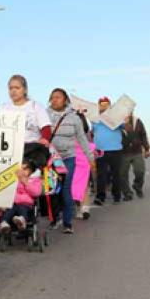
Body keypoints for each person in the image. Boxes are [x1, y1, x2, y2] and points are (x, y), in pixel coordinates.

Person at [47, 89, 95, 234]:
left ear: (65, 100)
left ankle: (68, 223)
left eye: (58, 97)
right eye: (52, 98)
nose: (55, 100)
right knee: (52, 190)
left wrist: (90, 158)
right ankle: (55, 219)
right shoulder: (45, 115)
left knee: (66, 190)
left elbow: (82, 139)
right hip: (51, 159)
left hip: (68, 157)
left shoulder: (74, 118)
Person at [1, 75, 52, 144]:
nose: (13, 91)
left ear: (25, 90)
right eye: (10, 88)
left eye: (17, 88)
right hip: (9, 146)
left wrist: (44, 140)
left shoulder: (36, 106)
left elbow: (46, 127)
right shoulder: (3, 108)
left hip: (31, 147)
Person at [92, 97, 125, 205]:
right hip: (100, 150)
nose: (104, 106)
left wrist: (113, 118)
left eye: (106, 104)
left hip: (116, 149)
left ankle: (117, 196)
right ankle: (100, 197)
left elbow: (123, 126)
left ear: (110, 105)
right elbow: (91, 131)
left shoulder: (116, 117)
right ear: (99, 106)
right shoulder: (94, 118)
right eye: (101, 104)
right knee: (101, 175)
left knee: (116, 174)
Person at [0, 161, 42, 235]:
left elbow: (36, 193)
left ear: (31, 171)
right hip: (13, 203)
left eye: (25, 169)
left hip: (26, 204)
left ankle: (21, 221)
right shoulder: (14, 179)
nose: (22, 172)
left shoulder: (34, 180)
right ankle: (4, 223)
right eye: (21, 169)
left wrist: (26, 183)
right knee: (8, 211)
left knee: (22, 209)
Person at [120, 111, 150, 200]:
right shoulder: (117, 122)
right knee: (122, 175)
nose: (128, 111)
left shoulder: (137, 121)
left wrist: (147, 148)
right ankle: (127, 193)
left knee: (140, 171)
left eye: (130, 109)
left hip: (137, 151)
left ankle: (137, 186)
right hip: (123, 152)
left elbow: (143, 135)